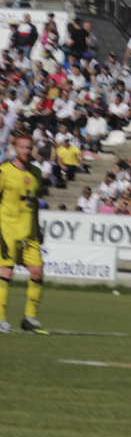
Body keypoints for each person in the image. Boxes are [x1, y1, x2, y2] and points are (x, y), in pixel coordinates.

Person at [0, 134, 48, 335]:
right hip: (7, 231)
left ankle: (29, 319)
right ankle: (1, 319)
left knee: (37, 273)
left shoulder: (36, 172)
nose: (27, 151)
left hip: (29, 234)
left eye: (30, 148)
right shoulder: (4, 171)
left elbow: (35, 203)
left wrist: (38, 229)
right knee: (6, 272)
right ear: (14, 149)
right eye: (23, 147)